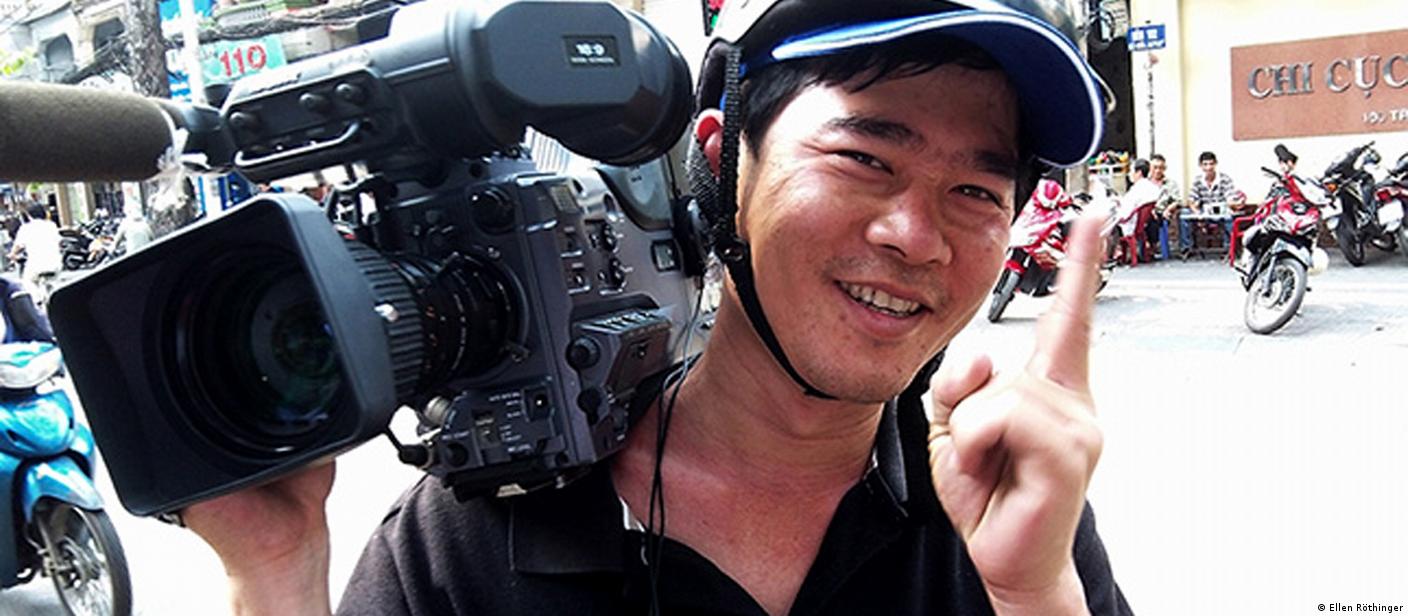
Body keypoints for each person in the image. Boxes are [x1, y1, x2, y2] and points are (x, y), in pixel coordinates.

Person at [183, 2, 1130, 615]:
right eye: (863, 158)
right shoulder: (464, 543)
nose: (916, 237)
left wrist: (1034, 592)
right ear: (719, 162)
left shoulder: (1003, 506)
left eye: (976, 192)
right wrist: (275, 576)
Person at [1179, 150, 1246, 259]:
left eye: (1211, 164)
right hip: (1204, 211)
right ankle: (1186, 248)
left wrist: (1234, 204)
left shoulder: (1225, 179)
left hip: (1222, 211)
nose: (1208, 167)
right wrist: (1197, 214)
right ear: (1200, 166)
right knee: (1184, 214)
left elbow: (1230, 198)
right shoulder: (1197, 181)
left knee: (1229, 217)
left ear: (1215, 164)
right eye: (1205, 164)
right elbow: (1191, 200)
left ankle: (1229, 249)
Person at [7, 202, 63, 288]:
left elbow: (17, 246)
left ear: (29, 215)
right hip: (55, 265)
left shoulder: (26, 228)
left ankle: (35, 297)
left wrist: (12, 255)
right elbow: (59, 243)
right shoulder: (52, 225)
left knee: (27, 283)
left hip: (35, 266)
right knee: (54, 286)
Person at [1116, 158, 1160, 261]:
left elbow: (1126, 210)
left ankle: (1114, 252)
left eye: (1131, 171)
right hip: (1141, 222)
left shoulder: (1137, 190)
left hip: (1130, 224)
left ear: (1139, 172)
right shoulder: (1152, 188)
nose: (1130, 174)